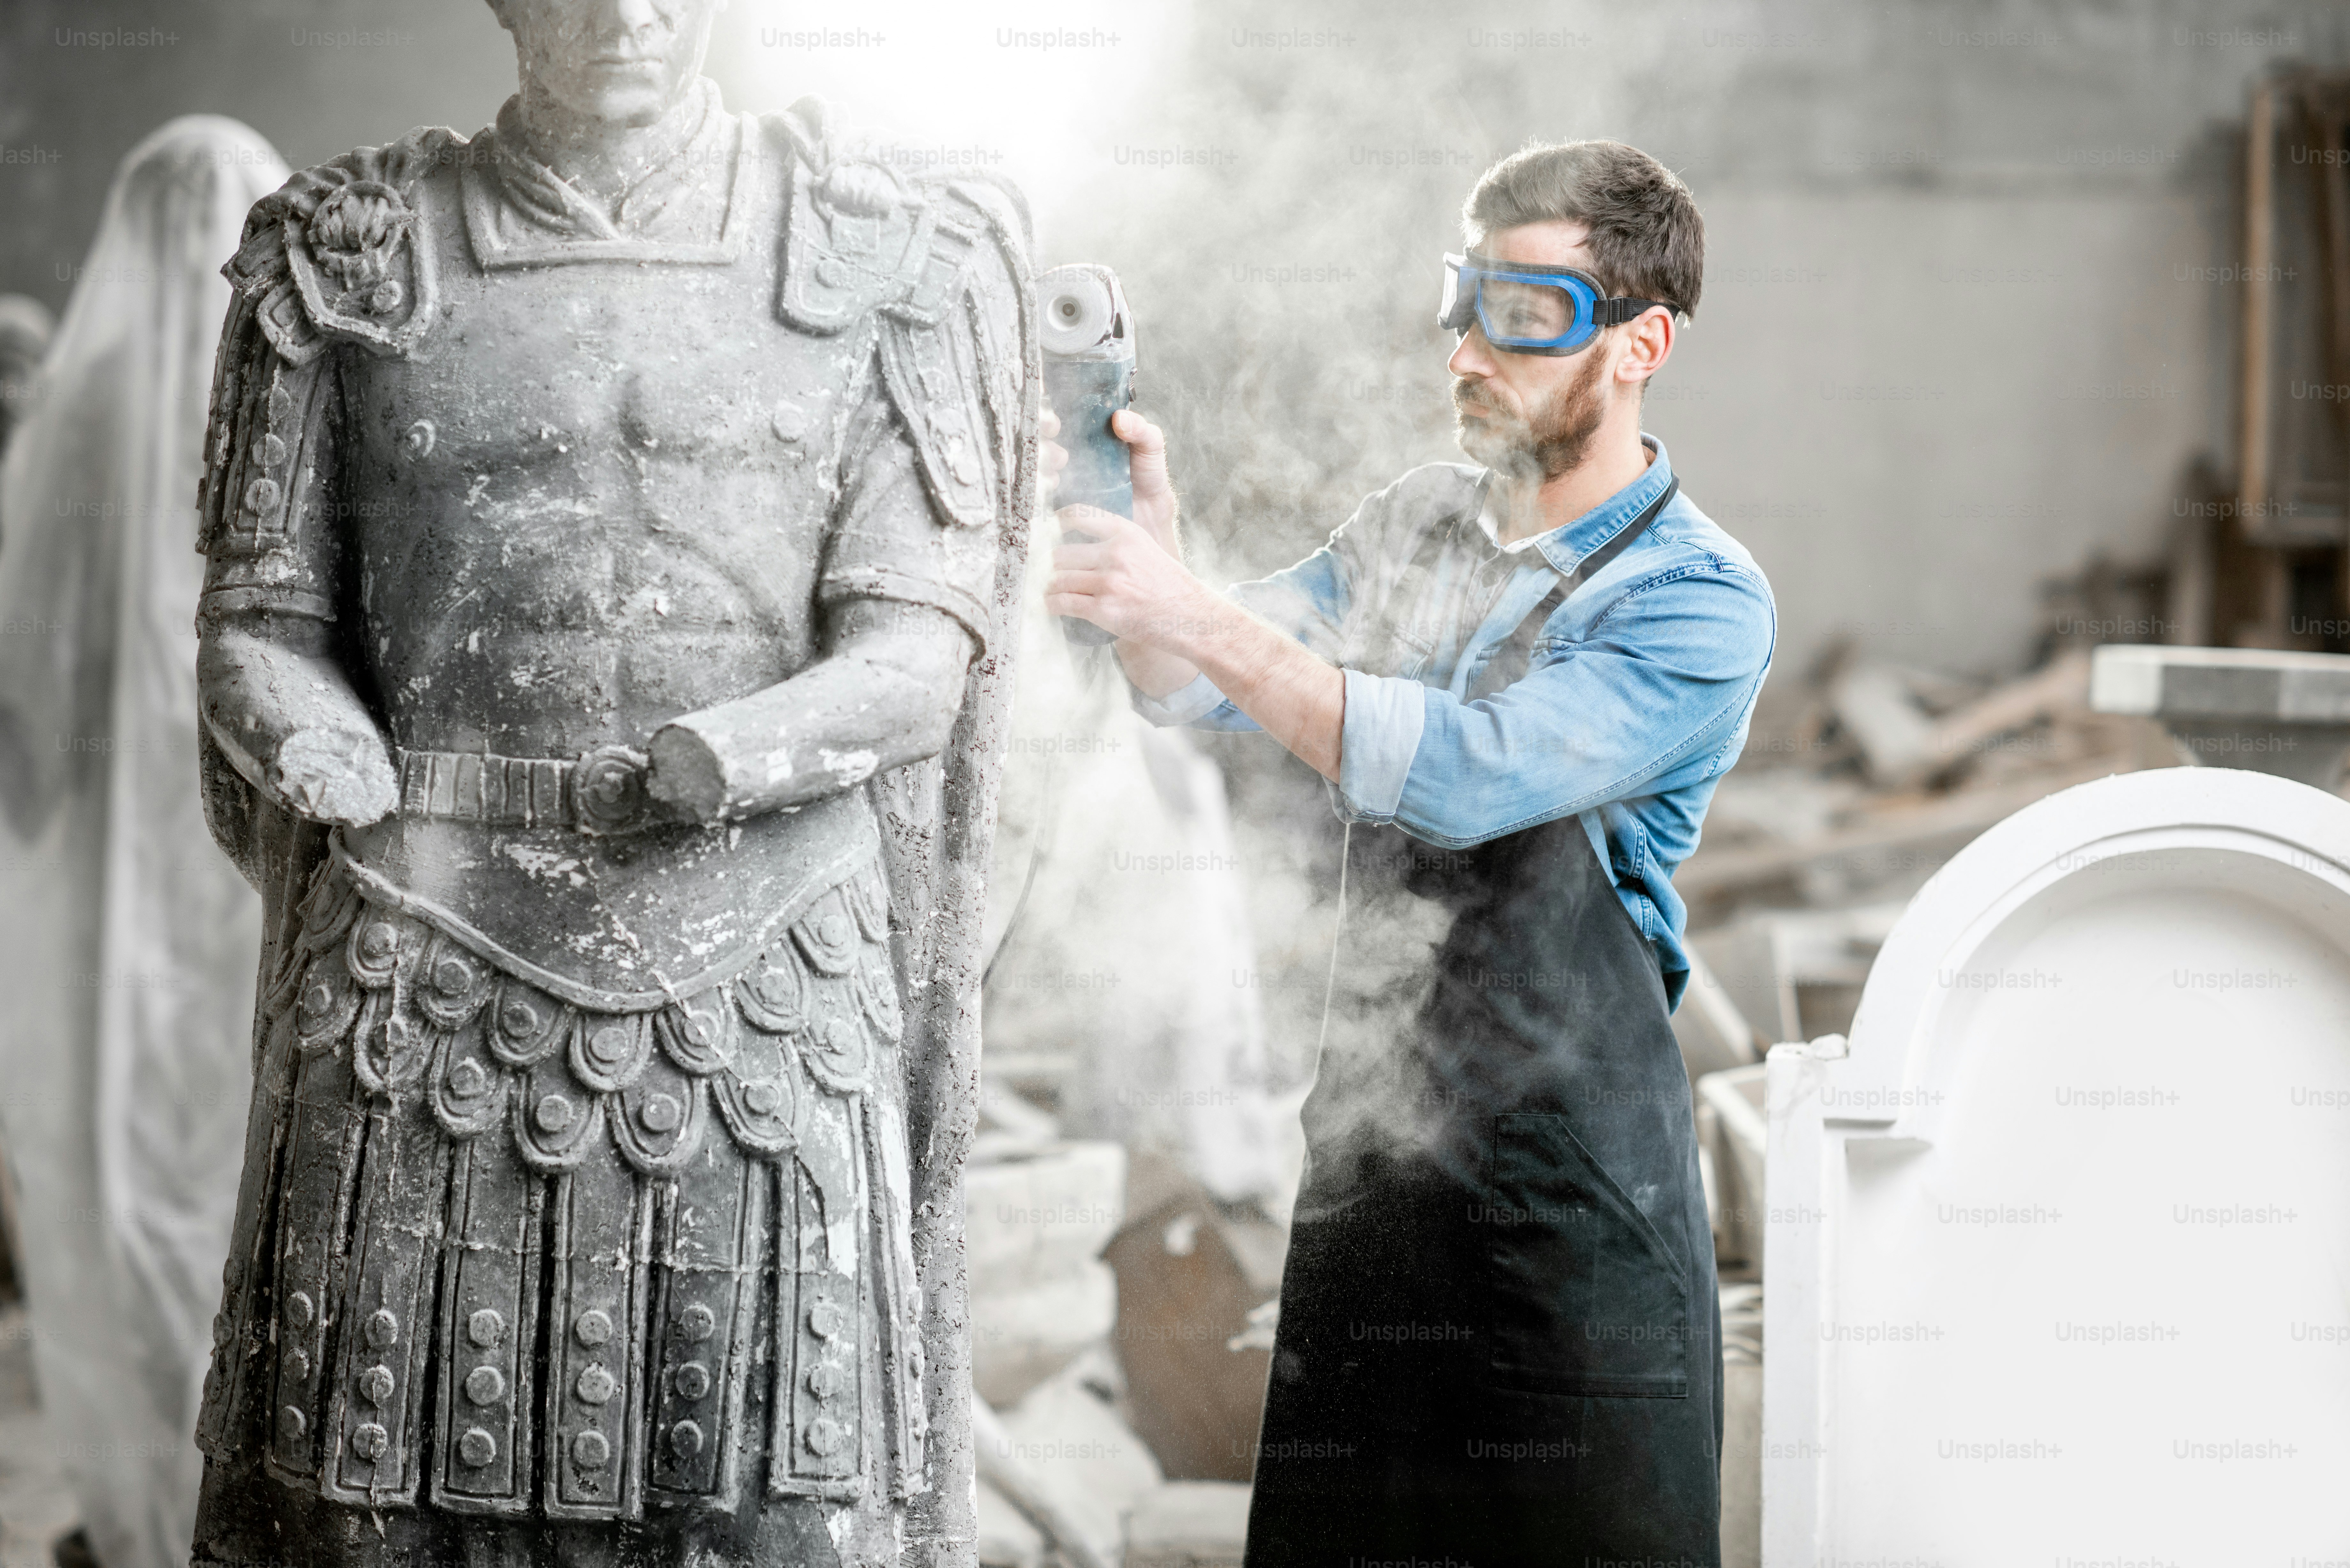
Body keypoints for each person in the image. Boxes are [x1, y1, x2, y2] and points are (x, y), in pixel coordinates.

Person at [184, 2, 1035, 1563]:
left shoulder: (883, 250)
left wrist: (744, 754)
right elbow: (256, 622)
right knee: (364, 1508)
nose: (629, 13)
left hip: (769, 966)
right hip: (415, 949)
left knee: (776, 1501)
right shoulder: (342, 253)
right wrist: (314, 734)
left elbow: (922, 649)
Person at [1046, 140, 1776, 1564]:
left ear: (1641, 344)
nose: (1464, 347)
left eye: (1518, 314)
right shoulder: (1414, 529)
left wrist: (1186, 614)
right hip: (1376, 1184)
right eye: (1462, 299)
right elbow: (1189, 686)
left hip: (1569, 1214)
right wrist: (1147, 565)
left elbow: (1462, 777)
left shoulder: (1695, 598)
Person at [0, 117, 288, 1568]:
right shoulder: (300, 390)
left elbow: (28, 704)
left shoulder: (89, 406)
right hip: (255, 874)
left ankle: (150, 1515)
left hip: (130, 892)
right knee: (240, 1165)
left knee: (130, 1162)